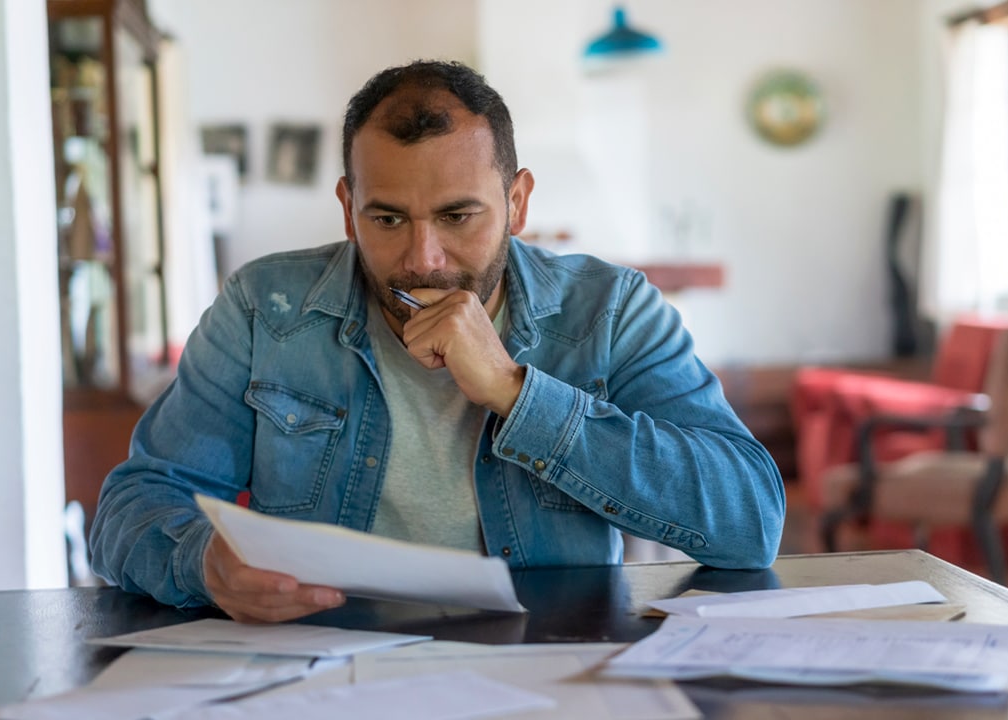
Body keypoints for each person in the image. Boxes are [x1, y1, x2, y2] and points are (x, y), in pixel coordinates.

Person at [90, 60, 786, 623]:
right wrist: (203, 563)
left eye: (459, 215)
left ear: (518, 202)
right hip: (323, 667)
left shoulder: (610, 310)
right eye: (387, 218)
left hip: (546, 667)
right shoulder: (264, 308)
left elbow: (750, 521)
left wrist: (516, 395)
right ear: (346, 206)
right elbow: (134, 503)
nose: (424, 258)